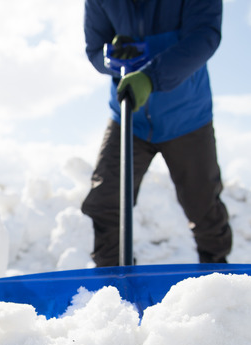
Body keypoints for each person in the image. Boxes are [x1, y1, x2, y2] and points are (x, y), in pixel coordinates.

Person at [81, 0, 232, 266]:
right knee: (106, 202)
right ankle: (114, 286)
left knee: (203, 206)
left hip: (186, 116)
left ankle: (216, 280)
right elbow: (95, 50)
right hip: (129, 115)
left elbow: (204, 35)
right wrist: (111, 56)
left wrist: (151, 76)